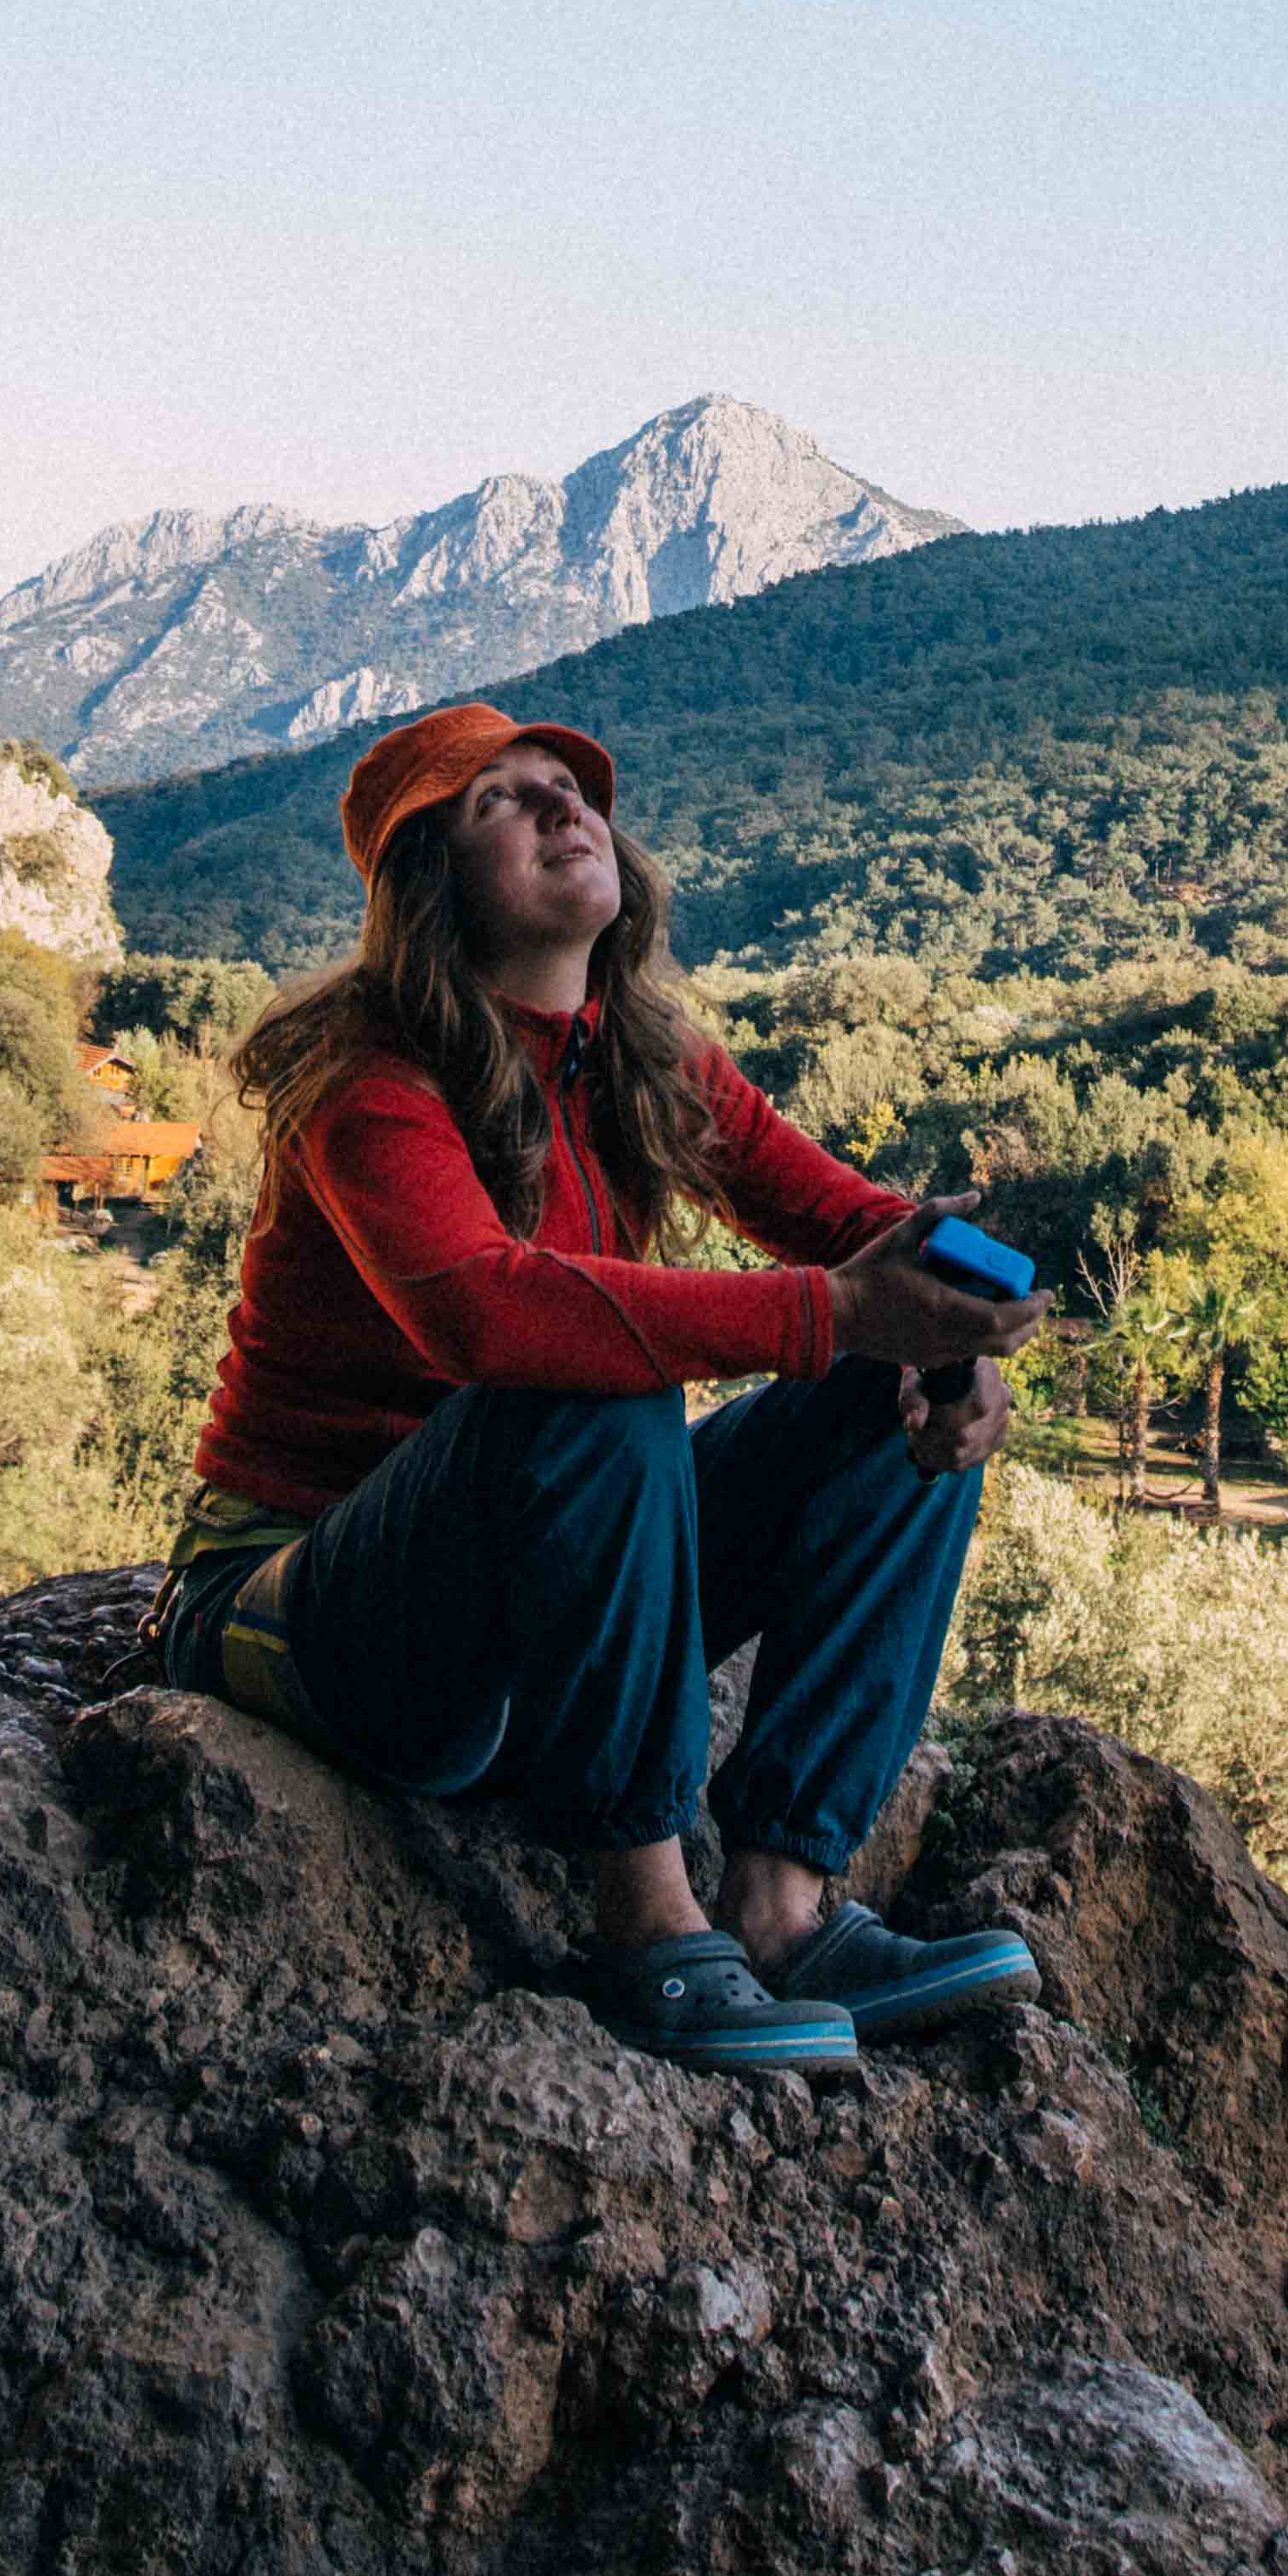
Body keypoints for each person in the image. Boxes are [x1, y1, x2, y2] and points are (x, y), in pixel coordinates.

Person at [159, 700, 1057, 2076]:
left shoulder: (644, 1057)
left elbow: (843, 1222)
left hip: (535, 1613)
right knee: (592, 1362)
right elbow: (485, 1311)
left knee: (873, 1399)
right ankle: (646, 1926)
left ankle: (781, 1908)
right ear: (429, 886)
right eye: (500, 800)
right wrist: (833, 1313)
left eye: (567, 788)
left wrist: (951, 1335)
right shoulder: (366, 1079)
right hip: (315, 1608)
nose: (562, 808)